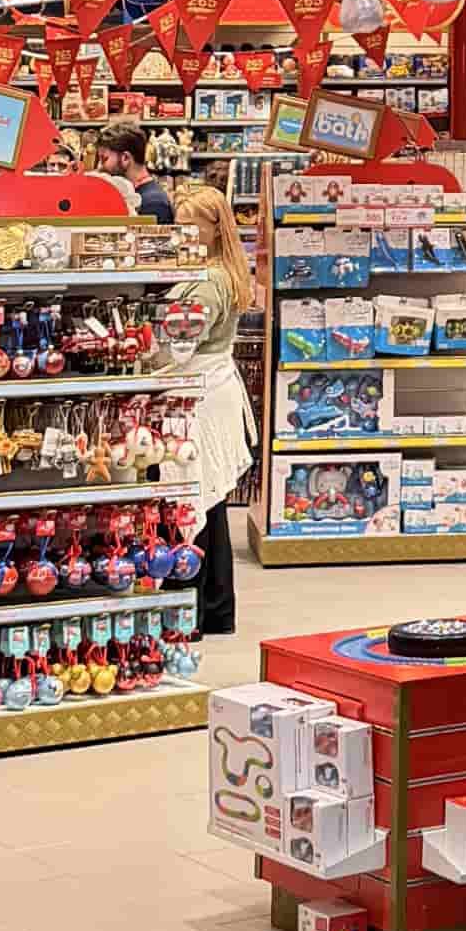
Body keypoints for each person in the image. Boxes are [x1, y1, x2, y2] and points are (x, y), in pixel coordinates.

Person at [168, 181, 255, 638]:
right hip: (212, 390)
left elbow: (180, 344)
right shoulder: (220, 272)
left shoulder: (208, 282)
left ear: (214, 228)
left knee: (193, 502)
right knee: (211, 502)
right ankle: (216, 607)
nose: (181, 232)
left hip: (197, 393)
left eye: (189, 225)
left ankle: (194, 610)